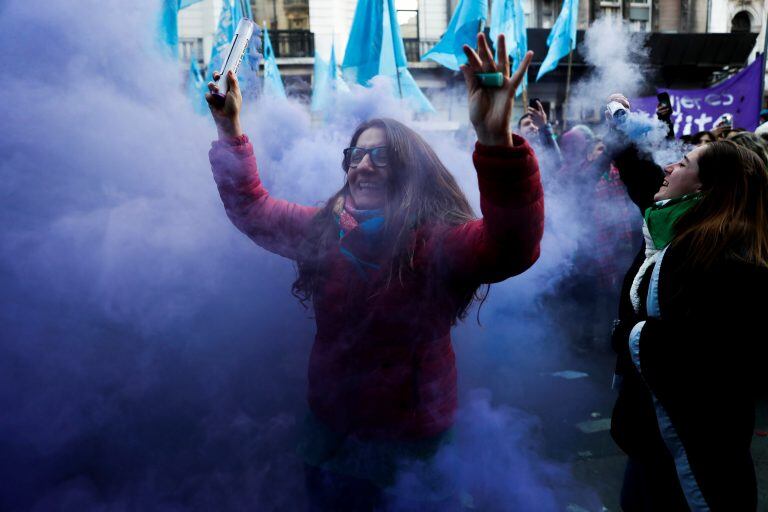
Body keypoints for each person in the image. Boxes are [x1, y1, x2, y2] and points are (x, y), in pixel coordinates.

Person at [206, 33, 543, 510]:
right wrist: (229, 129)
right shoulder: (325, 231)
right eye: (355, 155)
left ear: (408, 172)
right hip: (329, 438)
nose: (362, 166)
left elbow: (512, 247)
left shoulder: (434, 241)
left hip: (412, 449)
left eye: (380, 156)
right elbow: (251, 209)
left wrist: (495, 141)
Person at [607, 94, 768, 511]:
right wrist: (623, 125)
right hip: (652, 437)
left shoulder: (722, 256)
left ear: (707, 187)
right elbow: (646, 178)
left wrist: (630, 334)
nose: (670, 164)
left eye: (685, 162)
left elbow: (704, 354)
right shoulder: (679, 222)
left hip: (690, 447)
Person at [518, 100, 562, 172]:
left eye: (535, 124)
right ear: (519, 131)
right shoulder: (514, 151)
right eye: (527, 124)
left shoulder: (545, 151)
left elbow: (557, 163)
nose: (532, 126)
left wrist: (544, 126)